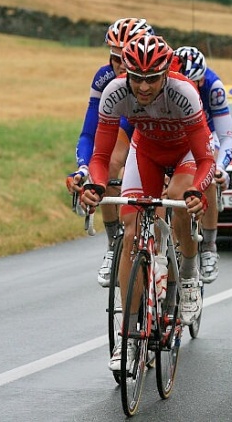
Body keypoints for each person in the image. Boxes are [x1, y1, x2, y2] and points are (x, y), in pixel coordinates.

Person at [80, 34, 215, 370]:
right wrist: (96, 184)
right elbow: (100, 155)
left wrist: (198, 190)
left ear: (166, 73)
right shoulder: (115, 93)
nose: (142, 87)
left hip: (185, 153)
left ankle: (187, 274)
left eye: (151, 79)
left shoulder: (184, 93)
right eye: (136, 78)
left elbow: (205, 160)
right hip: (148, 152)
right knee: (131, 233)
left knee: (177, 200)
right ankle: (127, 336)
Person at [66, 17, 154, 287]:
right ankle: (114, 243)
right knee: (110, 162)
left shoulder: (160, 74)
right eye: (115, 58)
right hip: (125, 122)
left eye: (125, 58)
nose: (120, 67)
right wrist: (84, 168)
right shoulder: (105, 78)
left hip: (156, 129)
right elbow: (88, 134)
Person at [172, 46, 232, 283]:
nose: (191, 89)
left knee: (206, 170)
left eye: (196, 83)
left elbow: (227, 136)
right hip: (173, 137)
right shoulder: (165, 85)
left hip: (204, 134)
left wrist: (220, 167)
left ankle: (208, 245)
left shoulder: (213, 86)